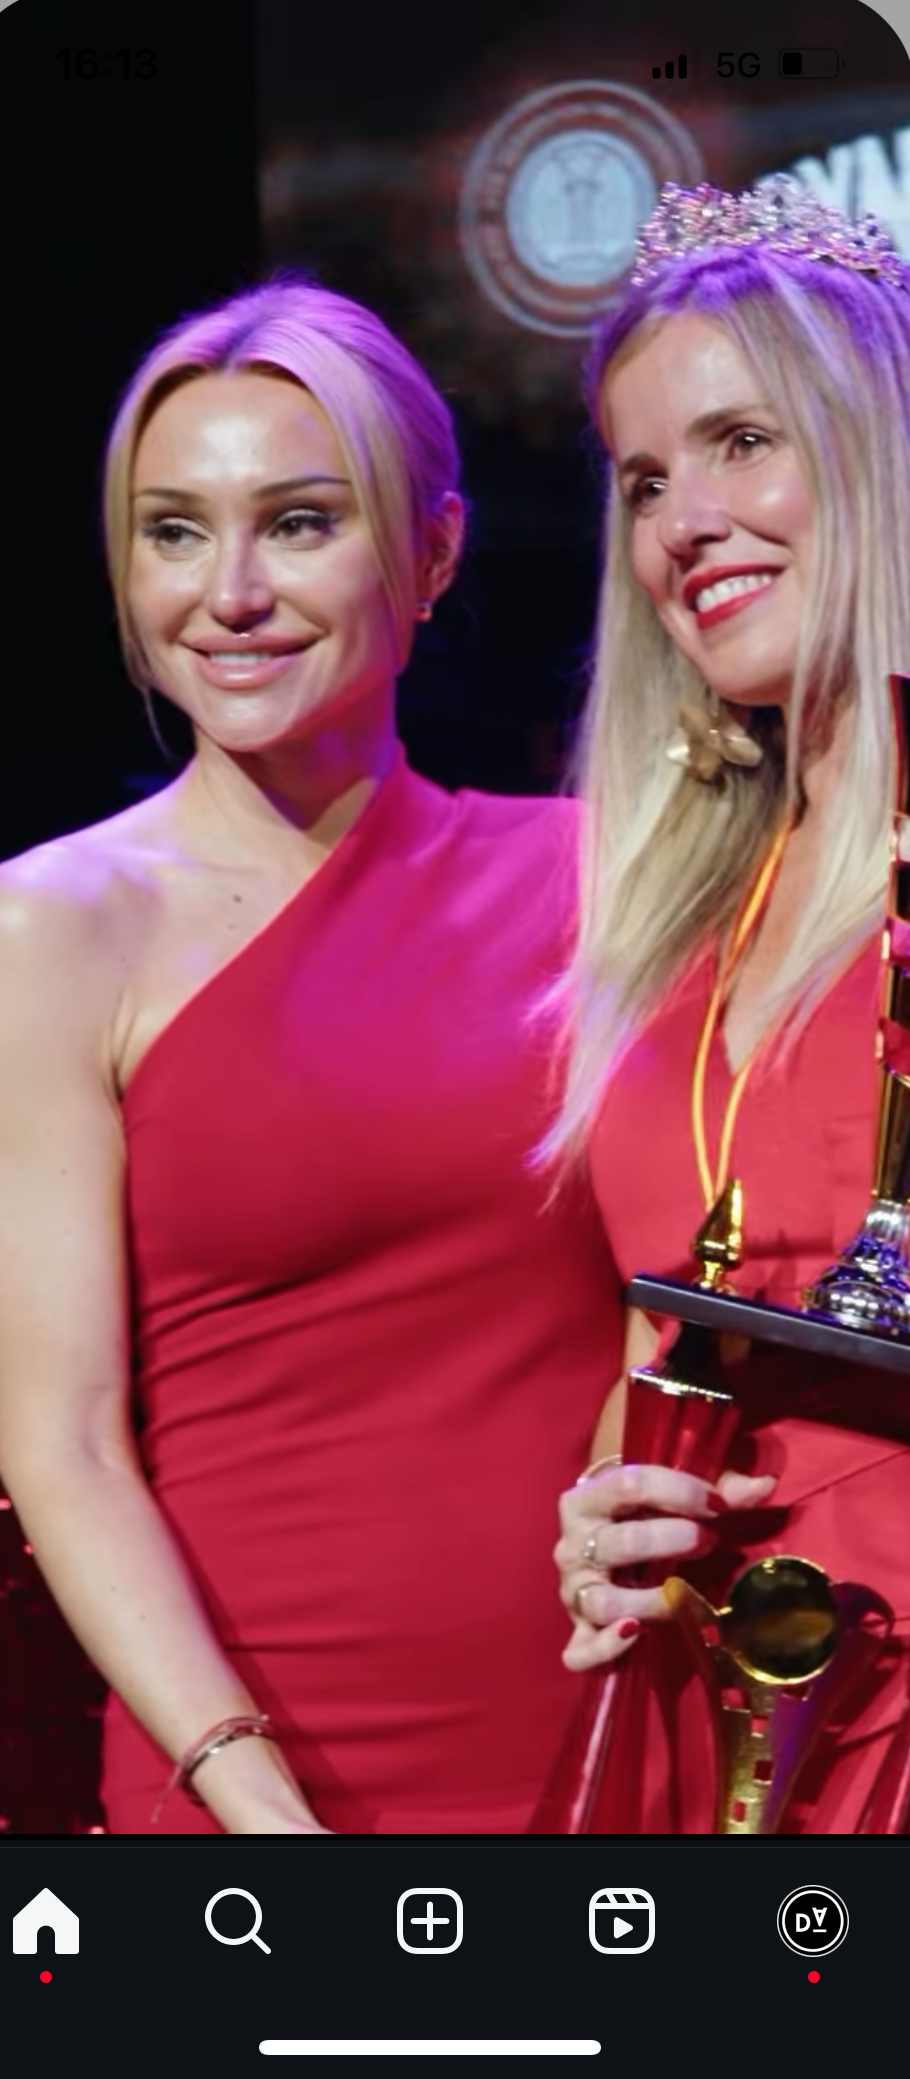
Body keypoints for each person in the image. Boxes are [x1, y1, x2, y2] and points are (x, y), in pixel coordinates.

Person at [0, 279, 625, 1835]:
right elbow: (62, 1440)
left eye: (301, 522)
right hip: (247, 1785)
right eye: (174, 532)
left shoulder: (597, 877)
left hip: (603, 1746)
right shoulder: (43, 931)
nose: (231, 592)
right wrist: (252, 1798)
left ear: (433, 555)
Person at [549, 177, 910, 1833]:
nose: (682, 523)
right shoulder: (681, 915)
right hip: (719, 1730)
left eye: (741, 442)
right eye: (643, 481)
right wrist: (609, 1509)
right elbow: (672, 1310)